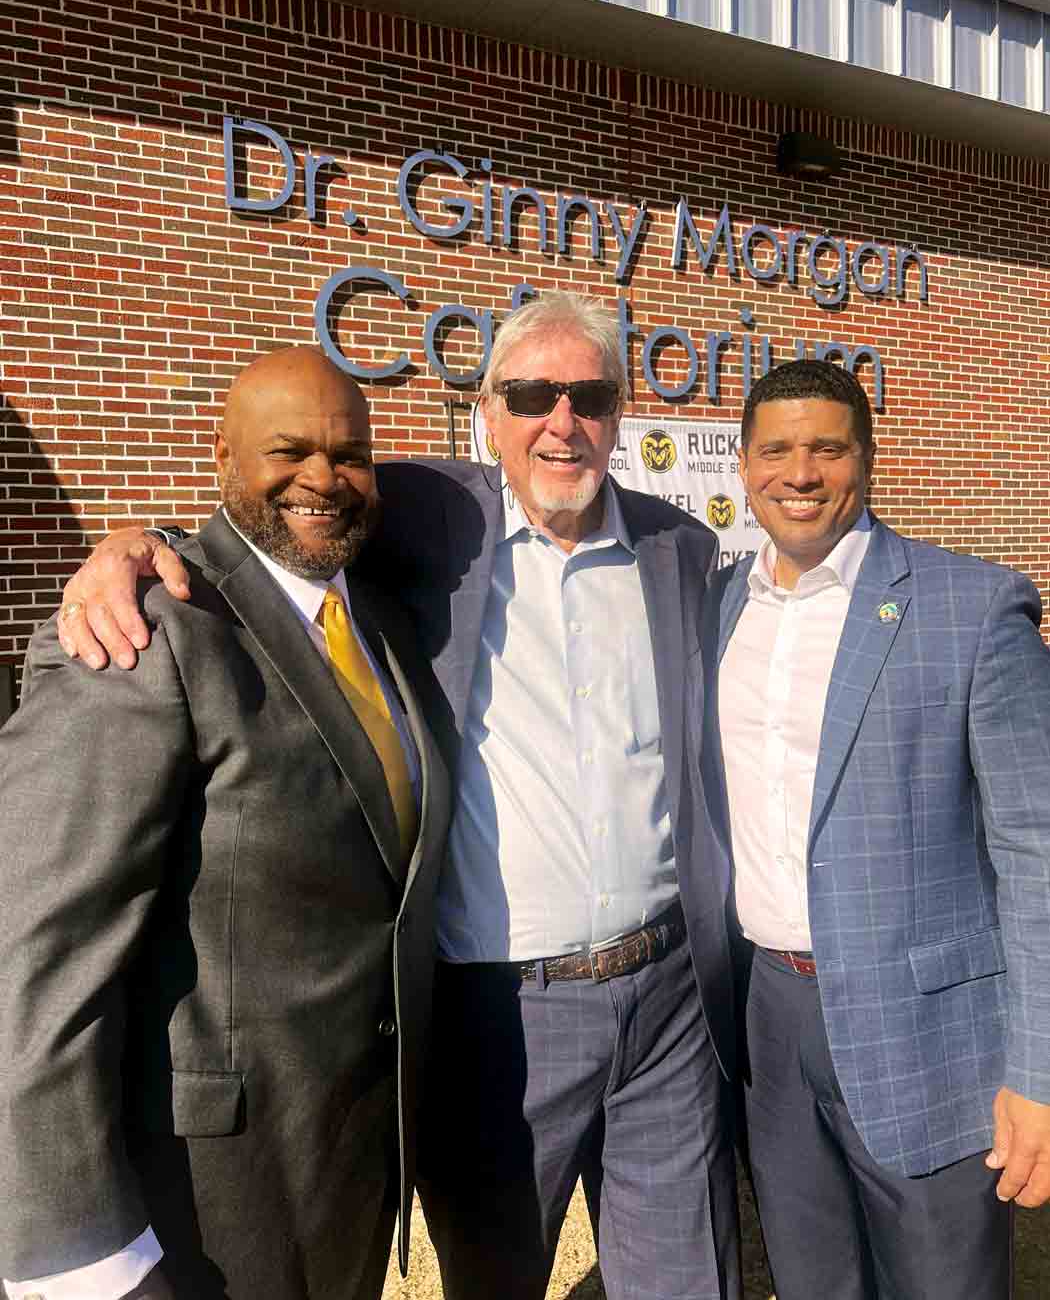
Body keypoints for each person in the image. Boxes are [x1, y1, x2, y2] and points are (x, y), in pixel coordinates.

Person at [52, 292, 741, 1300]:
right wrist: (133, 543)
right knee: (496, 1276)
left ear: (620, 412)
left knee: (689, 1278)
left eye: (589, 394)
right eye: (531, 394)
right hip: (504, 1011)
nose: (562, 420)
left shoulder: (678, 547)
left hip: (669, 992)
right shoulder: (432, 514)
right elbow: (282, 503)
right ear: (488, 417)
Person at [0, 348, 451, 1300]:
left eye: (351, 454)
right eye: (287, 451)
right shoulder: (142, 631)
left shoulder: (385, 626)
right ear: (221, 460)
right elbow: (30, 943)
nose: (323, 479)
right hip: (204, 1198)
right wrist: (79, 1254)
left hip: (348, 1169)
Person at [703, 358, 1050, 1299]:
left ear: (867, 458)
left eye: (827, 448)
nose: (800, 472)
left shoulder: (973, 609)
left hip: (929, 1033)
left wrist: (1039, 1071)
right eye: (776, 449)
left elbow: (1036, 849)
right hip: (770, 1019)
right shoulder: (723, 605)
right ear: (744, 465)